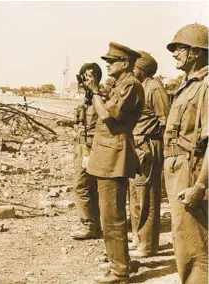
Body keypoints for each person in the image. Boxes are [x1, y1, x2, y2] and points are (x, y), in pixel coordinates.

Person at [85, 42, 144, 283]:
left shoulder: (129, 85)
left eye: (112, 60)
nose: (107, 64)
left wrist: (95, 91)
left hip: (114, 156)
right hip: (107, 154)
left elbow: (109, 115)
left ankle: (120, 271)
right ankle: (118, 261)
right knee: (108, 213)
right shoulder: (120, 84)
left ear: (126, 63)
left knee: (112, 215)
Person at [163, 23, 208, 283]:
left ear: (196, 53)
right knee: (183, 242)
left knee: (194, 247)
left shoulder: (205, 86)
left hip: (191, 172)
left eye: (179, 48)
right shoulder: (188, 84)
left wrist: (200, 185)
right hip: (179, 169)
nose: (175, 53)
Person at [129, 51, 170, 258]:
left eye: (134, 68)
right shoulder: (140, 87)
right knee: (136, 195)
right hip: (137, 146)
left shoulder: (154, 89)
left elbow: (166, 122)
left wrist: (159, 151)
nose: (131, 71)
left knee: (148, 198)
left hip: (148, 147)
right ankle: (138, 238)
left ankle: (148, 245)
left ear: (142, 69)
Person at [70, 63, 102, 240]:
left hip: (91, 149)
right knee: (89, 187)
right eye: (83, 77)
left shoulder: (100, 97)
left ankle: (89, 224)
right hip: (82, 147)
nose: (85, 81)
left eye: (89, 77)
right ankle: (94, 224)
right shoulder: (87, 98)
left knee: (81, 185)